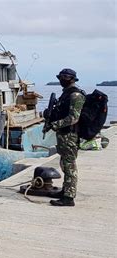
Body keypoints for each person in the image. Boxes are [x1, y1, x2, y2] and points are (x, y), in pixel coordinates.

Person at [45, 68, 85, 207]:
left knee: (70, 166)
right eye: (61, 77)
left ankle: (69, 197)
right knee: (64, 164)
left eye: (65, 77)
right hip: (63, 135)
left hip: (70, 135)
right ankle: (65, 191)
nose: (61, 80)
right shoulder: (66, 94)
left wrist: (55, 124)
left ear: (72, 79)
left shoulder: (75, 95)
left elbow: (73, 118)